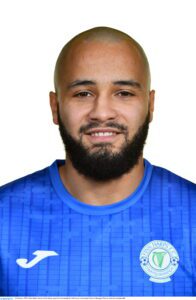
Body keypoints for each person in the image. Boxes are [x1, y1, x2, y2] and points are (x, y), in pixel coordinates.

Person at [0, 26, 195, 297]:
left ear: (150, 105)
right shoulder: (4, 218)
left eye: (124, 93)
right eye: (83, 93)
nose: (102, 112)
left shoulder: (191, 215)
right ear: (55, 107)